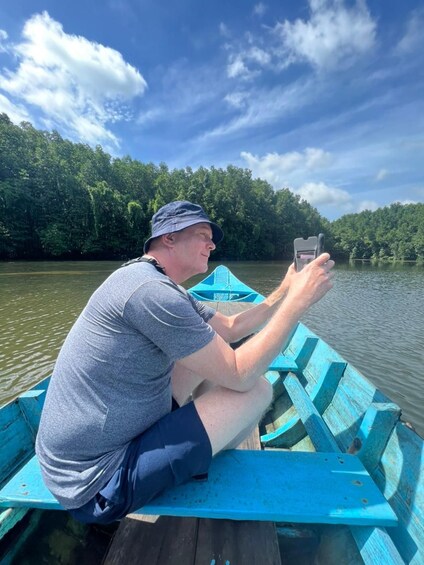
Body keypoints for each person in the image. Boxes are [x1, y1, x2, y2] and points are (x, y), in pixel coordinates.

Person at [35, 200, 334, 524]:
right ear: (169, 239)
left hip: (92, 449)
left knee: (206, 355)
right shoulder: (153, 293)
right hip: (95, 482)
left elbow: (232, 328)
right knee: (257, 390)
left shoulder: (152, 281)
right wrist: (298, 303)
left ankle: (197, 445)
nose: (212, 244)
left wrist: (285, 290)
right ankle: (201, 456)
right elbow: (240, 374)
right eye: (203, 234)